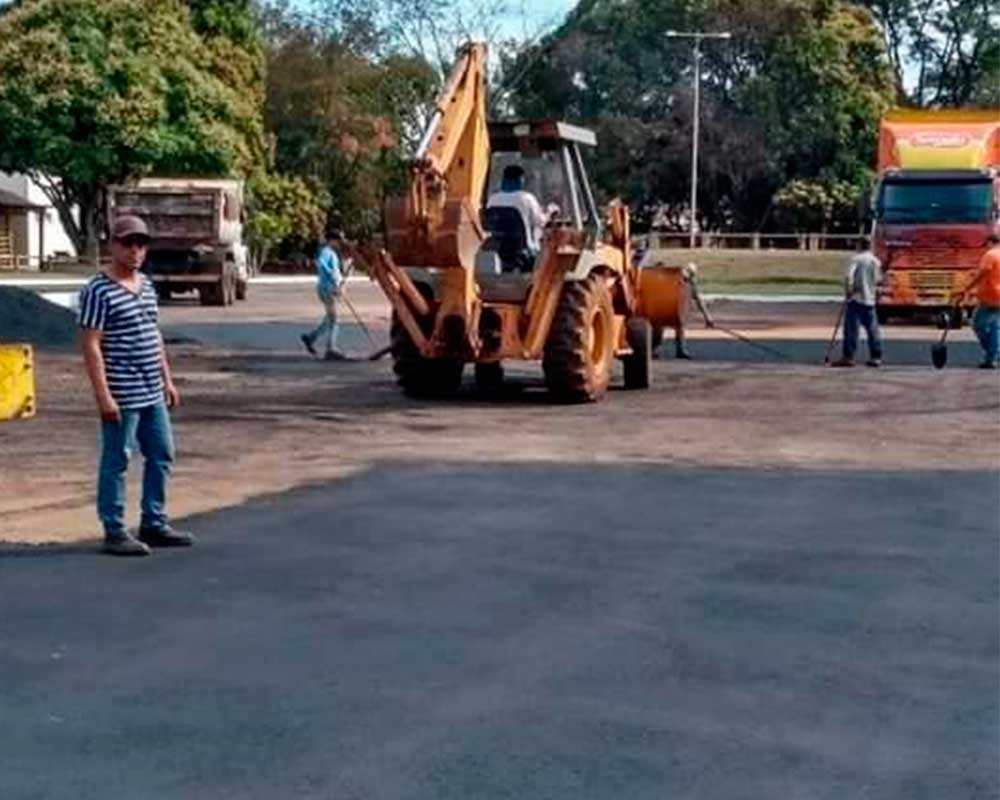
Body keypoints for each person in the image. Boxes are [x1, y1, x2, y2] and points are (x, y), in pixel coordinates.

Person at [78, 215, 193, 556]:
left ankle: (153, 522)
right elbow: (90, 344)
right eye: (127, 243)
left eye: (140, 244)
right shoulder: (98, 290)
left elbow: (153, 334)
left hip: (151, 390)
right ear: (112, 245)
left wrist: (167, 379)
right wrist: (103, 395)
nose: (134, 251)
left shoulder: (146, 286)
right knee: (118, 458)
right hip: (121, 391)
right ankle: (114, 529)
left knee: (161, 454)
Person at [640, 253, 714, 359]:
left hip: (677, 311)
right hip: (664, 308)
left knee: (679, 328)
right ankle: (651, 350)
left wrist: (708, 317)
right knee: (658, 331)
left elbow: (699, 301)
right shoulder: (673, 281)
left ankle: (680, 350)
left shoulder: (691, 285)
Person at [831, 238, 883, 368]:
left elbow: (849, 276)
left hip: (856, 298)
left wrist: (848, 290)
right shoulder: (875, 261)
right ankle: (876, 356)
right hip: (870, 299)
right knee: (872, 330)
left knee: (851, 329)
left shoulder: (856, 259)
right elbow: (878, 280)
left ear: (860, 245)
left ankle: (849, 357)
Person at [953, 232, 1000, 369]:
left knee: (978, 324)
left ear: (990, 242)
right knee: (994, 326)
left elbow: (983, 272)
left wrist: (967, 288)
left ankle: (992, 354)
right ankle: (992, 355)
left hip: (990, 296)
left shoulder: (991, 255)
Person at [301, 230, 348, 360]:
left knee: (329, 318)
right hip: (327, 288)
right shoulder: (326, 252)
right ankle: (331, 348)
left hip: (330, 288)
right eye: (338, 241)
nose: (339, 244)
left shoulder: (331, 252)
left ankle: (311, 338)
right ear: (331, 240)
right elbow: (321, 264)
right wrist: (333, 278)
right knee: (334, 319)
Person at [486, 164, 547, 254]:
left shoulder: (492, 199)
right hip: (525, 251)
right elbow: (540, 222)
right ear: (520, 180)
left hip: (499, 251)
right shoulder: (526, 198)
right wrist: (549, 213)